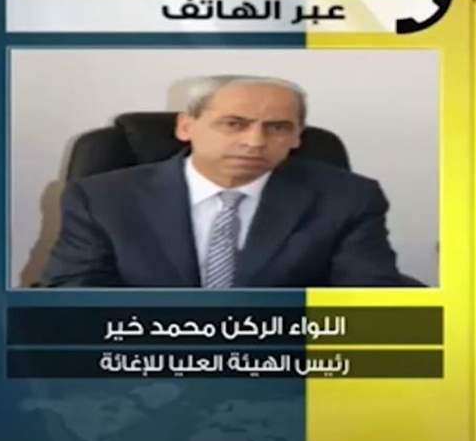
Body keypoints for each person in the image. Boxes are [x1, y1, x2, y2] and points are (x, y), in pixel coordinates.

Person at [40, 75, 422, 288]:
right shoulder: (102, 198)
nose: (254, 141)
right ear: (186, 126)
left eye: (277, 127)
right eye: (234, 124)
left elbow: (367, 297)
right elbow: (74, 298)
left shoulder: (349, 198)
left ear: (297, 137)